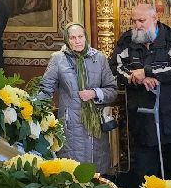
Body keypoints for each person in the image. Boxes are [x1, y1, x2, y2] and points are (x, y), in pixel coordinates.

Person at [110, 3, 171, 188]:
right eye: (134, 21)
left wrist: (148, 71)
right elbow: (114, 68)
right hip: (141, 118)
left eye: (142, 21)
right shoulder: (127, 41)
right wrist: (137, 77)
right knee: (145, 169)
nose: (137, 25)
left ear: (155, 19)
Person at [39, 23, 118, 172]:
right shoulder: (58, 59)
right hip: (71, 124)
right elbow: (46, 89)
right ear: (67, 40)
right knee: (72, 170)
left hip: (96, 125)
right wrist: (34, 109)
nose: (77, 41)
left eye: (80, 37)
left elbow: (112, 90)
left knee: (96, 169)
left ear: (85, 37)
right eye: (73, 38)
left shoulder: (99, 58)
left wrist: (94, 93)